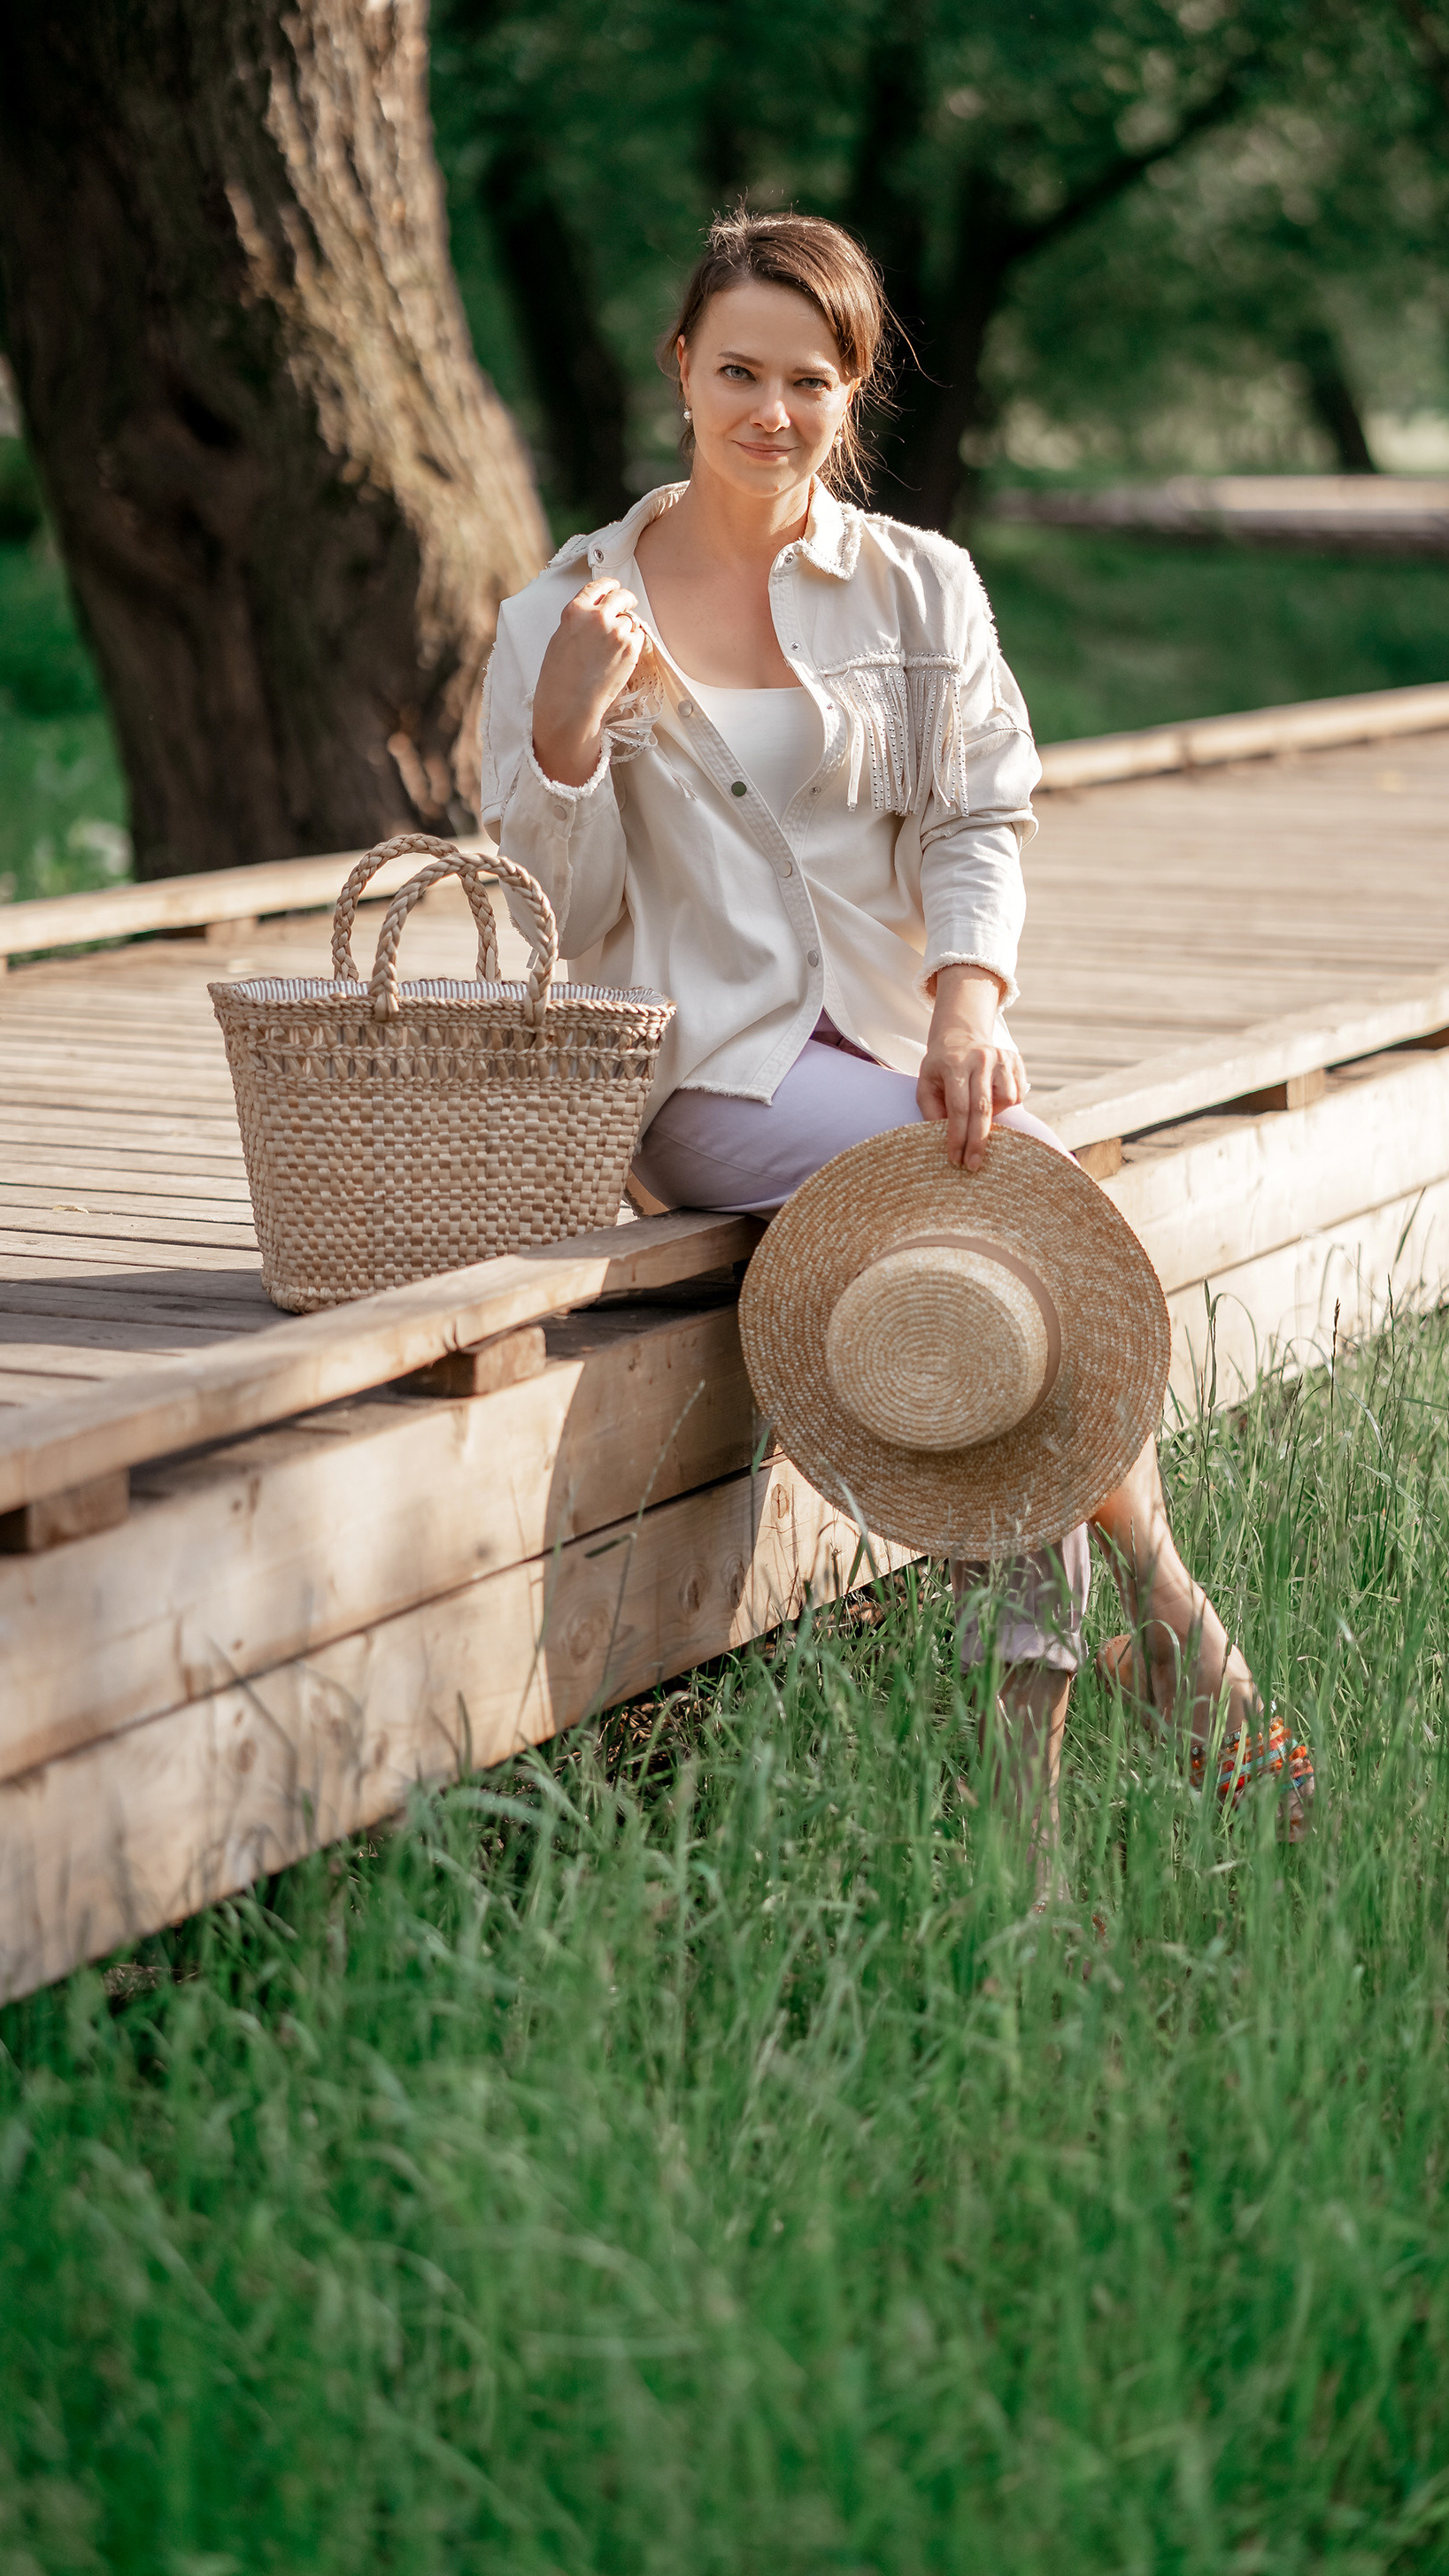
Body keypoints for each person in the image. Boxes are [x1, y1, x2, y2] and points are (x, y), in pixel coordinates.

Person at [482, 208, 1311, 1865]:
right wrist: (570, 726)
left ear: (849, 393)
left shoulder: (920, 587)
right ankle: (1165, 1648)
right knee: (1008, 1218)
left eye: (809, 379)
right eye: (737, 372)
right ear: (681, 372)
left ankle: (1071, 1735)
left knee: (1004, 1287)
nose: (768, 412)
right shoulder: (567, 605)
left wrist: (968, 994)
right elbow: (534, 909)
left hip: (894, 1050)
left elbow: (977, 821)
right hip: (703, 1073)